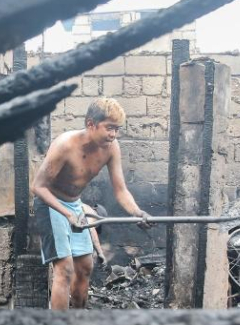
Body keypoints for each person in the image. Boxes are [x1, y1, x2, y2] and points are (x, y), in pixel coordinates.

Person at [31, 98, 150, 310]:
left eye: (117, 129)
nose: (113, 135)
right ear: (90, 124)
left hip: (75, 204)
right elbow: (38, 187)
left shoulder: (111, 148)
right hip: (50, 203)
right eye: (109, 128)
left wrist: (137, 212)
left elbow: (120, 190)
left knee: (85, 267)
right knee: (64, 269)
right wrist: (67, 215)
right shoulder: (65, 145)